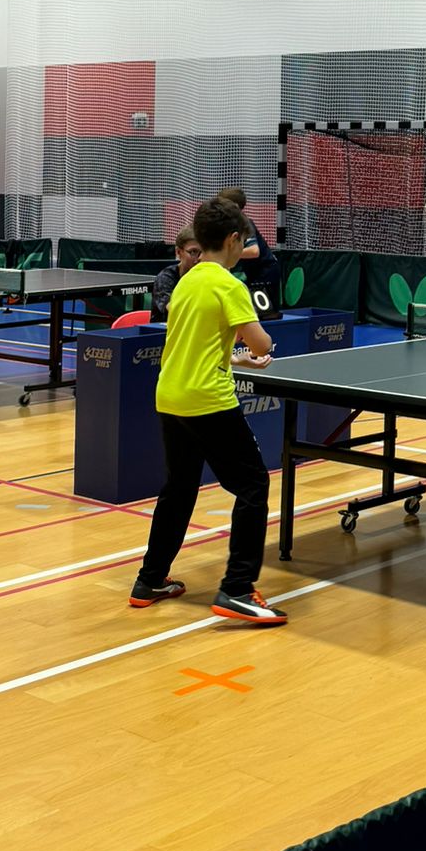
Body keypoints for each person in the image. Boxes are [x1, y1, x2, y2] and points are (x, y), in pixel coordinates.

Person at [129, 197, 285, 625]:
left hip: (171, 395)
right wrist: (256, 347)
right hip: (207, 400)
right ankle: (237, 589)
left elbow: (192, 343)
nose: (244, 248)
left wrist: (234, 359)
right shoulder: (228, 284)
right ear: (233, 240)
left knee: (179, 487)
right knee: (253, 485)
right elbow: (262, 343)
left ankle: (150, 579)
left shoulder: (187, 280)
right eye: (244, 242)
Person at [216, 185, 280, 315]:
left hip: (266, 271)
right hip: (252, 272)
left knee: (266, 314)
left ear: (235, 206)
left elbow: (254, 251)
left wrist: (226, 254)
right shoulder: (229, 224)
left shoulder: (245, 222)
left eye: (223, 205)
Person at [150, 223, 201, 321]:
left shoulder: (207, 276)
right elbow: (174, 309)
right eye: (193, 252)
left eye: (203, 252)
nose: (199, 258)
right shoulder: (165, 278)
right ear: (178, 252)